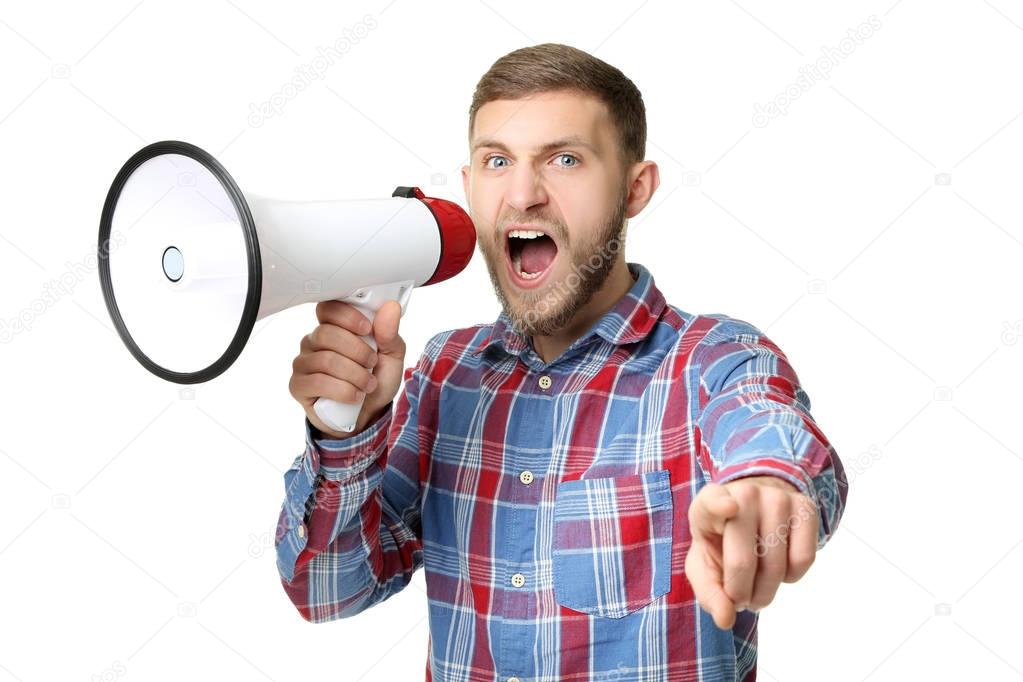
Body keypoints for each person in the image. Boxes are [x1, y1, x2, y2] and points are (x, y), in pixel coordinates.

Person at [276, 42, 848, 681]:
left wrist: (768, 488)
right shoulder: (444, 372)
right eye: (497, 161)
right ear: (468, 189)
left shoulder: (712, 359)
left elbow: (768, 431)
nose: (522, 196)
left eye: (565, 159)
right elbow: (329, 591)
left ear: (634, 189)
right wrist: (345, 433)